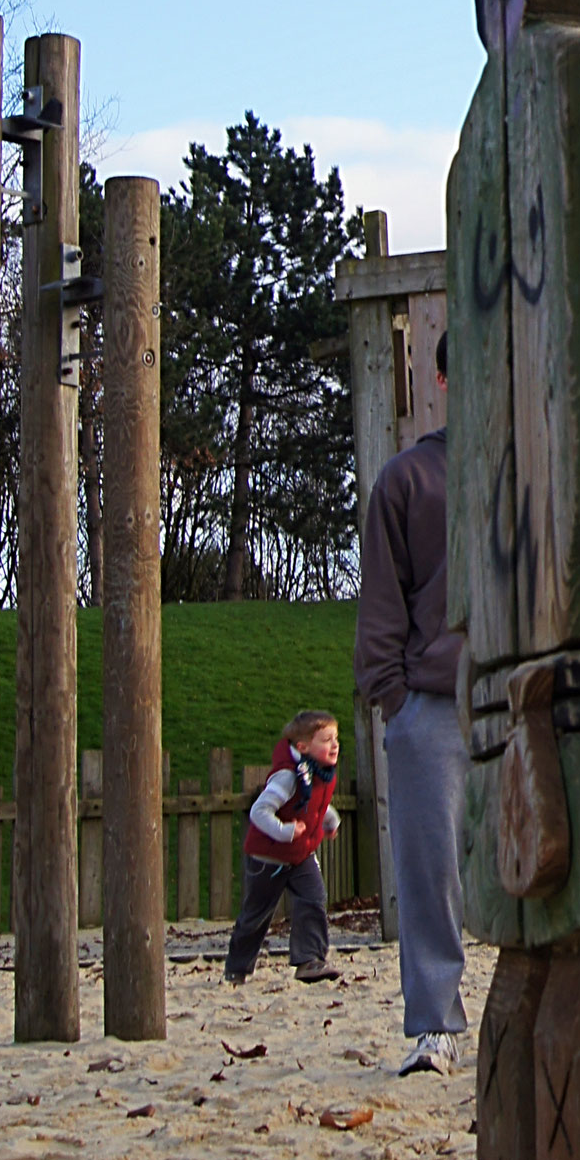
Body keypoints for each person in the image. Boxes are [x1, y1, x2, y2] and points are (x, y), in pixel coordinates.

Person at [355, 329, 468, 1078]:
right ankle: (435, 1025)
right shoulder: (407, 479)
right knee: (429, 872)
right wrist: (394, 700)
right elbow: (382, 603)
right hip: (431, 703)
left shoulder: (544, 465)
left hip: (534, 696)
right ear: (441, 379)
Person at [224, 710, 342, 987]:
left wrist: (330, 819)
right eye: (326, 740)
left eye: (336, 738)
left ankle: (309, 960)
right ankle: (237, 968)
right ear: (302, 747)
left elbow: (314, 804)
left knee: (313, 899)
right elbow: (259, 811)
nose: (335, 745)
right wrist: (285, 832)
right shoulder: (288, 777)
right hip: (268, 857)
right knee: (257, 914)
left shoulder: (320, 772)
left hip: (300, 854)